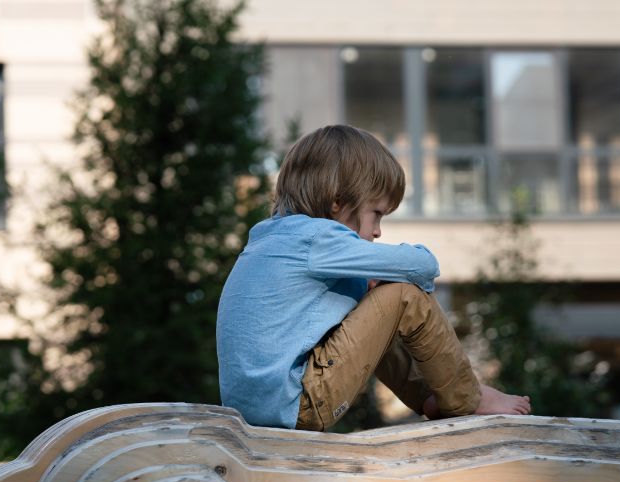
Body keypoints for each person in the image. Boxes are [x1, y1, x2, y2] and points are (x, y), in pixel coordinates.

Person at [217, 125, 530, 431]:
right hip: (299, 402)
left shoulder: (271, 238)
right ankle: (466, 397)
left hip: (254, 409)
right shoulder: (317, 237)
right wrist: (380, 278)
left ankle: (430, 397)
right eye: (376, 214)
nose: (378, 231)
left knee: (370, 297)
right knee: (402, 294)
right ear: (337, 202)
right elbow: (423, 265)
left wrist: (364, 285)